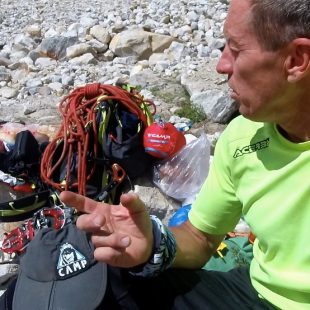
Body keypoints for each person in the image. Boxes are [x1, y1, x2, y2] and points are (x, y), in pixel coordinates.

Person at [1, 0, 309, 309]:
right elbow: (200, 237)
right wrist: (152, 244)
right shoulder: (243, 136)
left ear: (297, 59)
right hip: (257, 293)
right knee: (96, 269)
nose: (221, 65)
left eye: (236, 50)